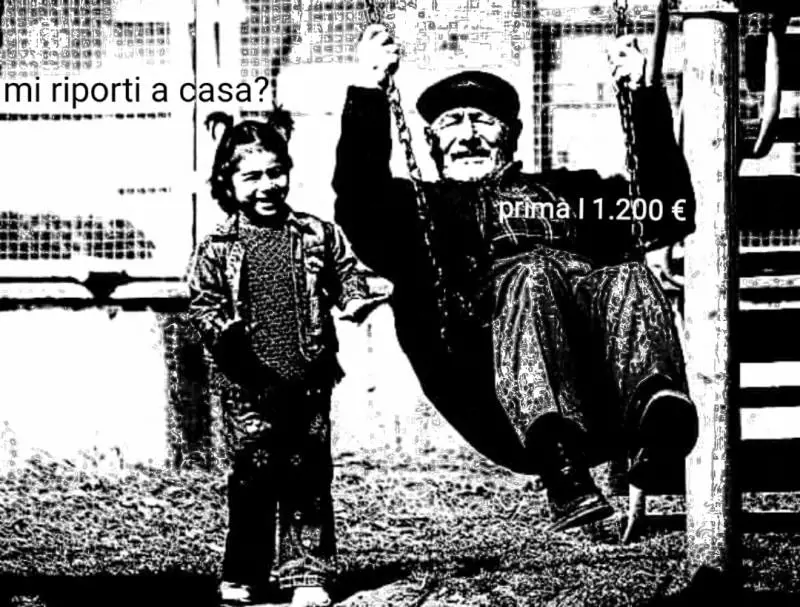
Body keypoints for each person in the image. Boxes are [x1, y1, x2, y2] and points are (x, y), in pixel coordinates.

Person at [333, 25, 699, 533]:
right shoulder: (418, 210)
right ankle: (560, 462)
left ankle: (654, 416)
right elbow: (359, 205)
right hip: (486, 378)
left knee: (627, 273)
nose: (468, 134)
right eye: (451, 123)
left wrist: (642, 95)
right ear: (431, 140)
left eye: (483, 121)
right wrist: (369, 89)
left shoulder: (571, 193)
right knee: (532, 272)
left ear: (512, 134)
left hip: (594, 382)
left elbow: (668, 212)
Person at [186, 111, 392, 606]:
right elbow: (204, 305)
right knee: (253, 478)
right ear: (228, 183)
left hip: (308, 380)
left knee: (307, 477)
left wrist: (356, 298)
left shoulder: (316, 233)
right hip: (249, 387)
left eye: (275, 172)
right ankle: (245, 573)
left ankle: (307, 575)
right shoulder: (216, 248)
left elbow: (345, 275)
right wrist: (229, 340)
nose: (267, 186)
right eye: (252, 176)